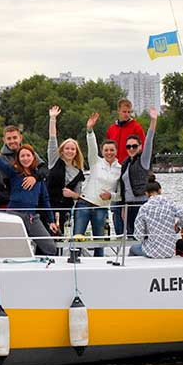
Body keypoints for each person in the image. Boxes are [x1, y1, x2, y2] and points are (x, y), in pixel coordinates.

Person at [0, 140, 59, 256]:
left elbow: (45, 200)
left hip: (32, 217)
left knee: (51, 248)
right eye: (22, 156)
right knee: (12, 247)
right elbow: (2, 165)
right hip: (14, 214)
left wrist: (52, 221)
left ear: (33, 157)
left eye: (28, 155)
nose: (25, 158)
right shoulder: (14, 172)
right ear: (18, 158)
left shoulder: (38, 178)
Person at [73, 112, 120, 257]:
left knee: (100, 242)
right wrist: (89, 130)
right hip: (84, 204)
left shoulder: (121, 169)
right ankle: (74, 260)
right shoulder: (95, 162)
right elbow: (91, 146)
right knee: (77, 238)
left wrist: (110, 195)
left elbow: (120, 196)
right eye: (106, 150)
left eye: (112, 150)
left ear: (116, 151)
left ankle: (99, 266)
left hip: (101, 208)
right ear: (102, 151)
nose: (109, 152)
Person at [129, 175, 183, 258]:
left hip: (152, 251)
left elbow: (138, 235)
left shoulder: (144, 208)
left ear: (146, 193)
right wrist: (178, 225)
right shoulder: (171, 204)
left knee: (132, 249)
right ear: (160, 190)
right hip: (170, 251)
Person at [106, 98, 146, 235]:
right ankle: (119, 237)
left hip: (129, 169)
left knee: (130, 207)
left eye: (129, 112)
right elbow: (108, 147)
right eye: (124, 111)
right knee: (116, 207)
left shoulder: (136, 127)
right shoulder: (112, 128)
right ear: (118, 111)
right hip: (115, 170)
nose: (126, 114)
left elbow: (142, 147)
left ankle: (133, 236)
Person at [118, 107, 158, 238]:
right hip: (128, 205)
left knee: (144, 236)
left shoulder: (143, 160)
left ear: (139, 147)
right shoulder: (125, 164)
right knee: (130, 236)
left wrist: (153, 121)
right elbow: (124, 188)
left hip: (142, 203)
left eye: (134, 146)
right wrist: (124, 206)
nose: (131, 149)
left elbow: (149, 141)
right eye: (128, 146)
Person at [46, 106, 86, 234]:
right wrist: (53, 119)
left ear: (76, 152)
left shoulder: (79, 172)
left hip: (66, 209)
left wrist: (72, 194)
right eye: (67, 148)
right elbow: (52, 139)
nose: (69, 151)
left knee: (63, 234)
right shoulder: (54, 161)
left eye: (72, 149)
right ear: (62, 150)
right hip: (50, 206)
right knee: (49, 235)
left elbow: (78, 195)